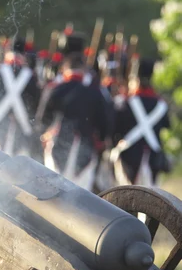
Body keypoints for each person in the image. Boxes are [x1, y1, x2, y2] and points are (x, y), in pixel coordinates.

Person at [38, 32, 113, 191]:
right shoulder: (96, 91)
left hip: (57, 146)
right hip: (85, 150)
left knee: (53, 194)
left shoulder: (55, 88)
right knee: (80, 196)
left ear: (65, 65)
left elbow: (42, 120)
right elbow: (105, 125)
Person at [111, 58, 171, 186]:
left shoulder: (125, 103)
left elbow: (116, 129)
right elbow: (167, 125)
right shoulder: (161, 104)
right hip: (153, 159)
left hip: (129, 157)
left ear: (135, 79)